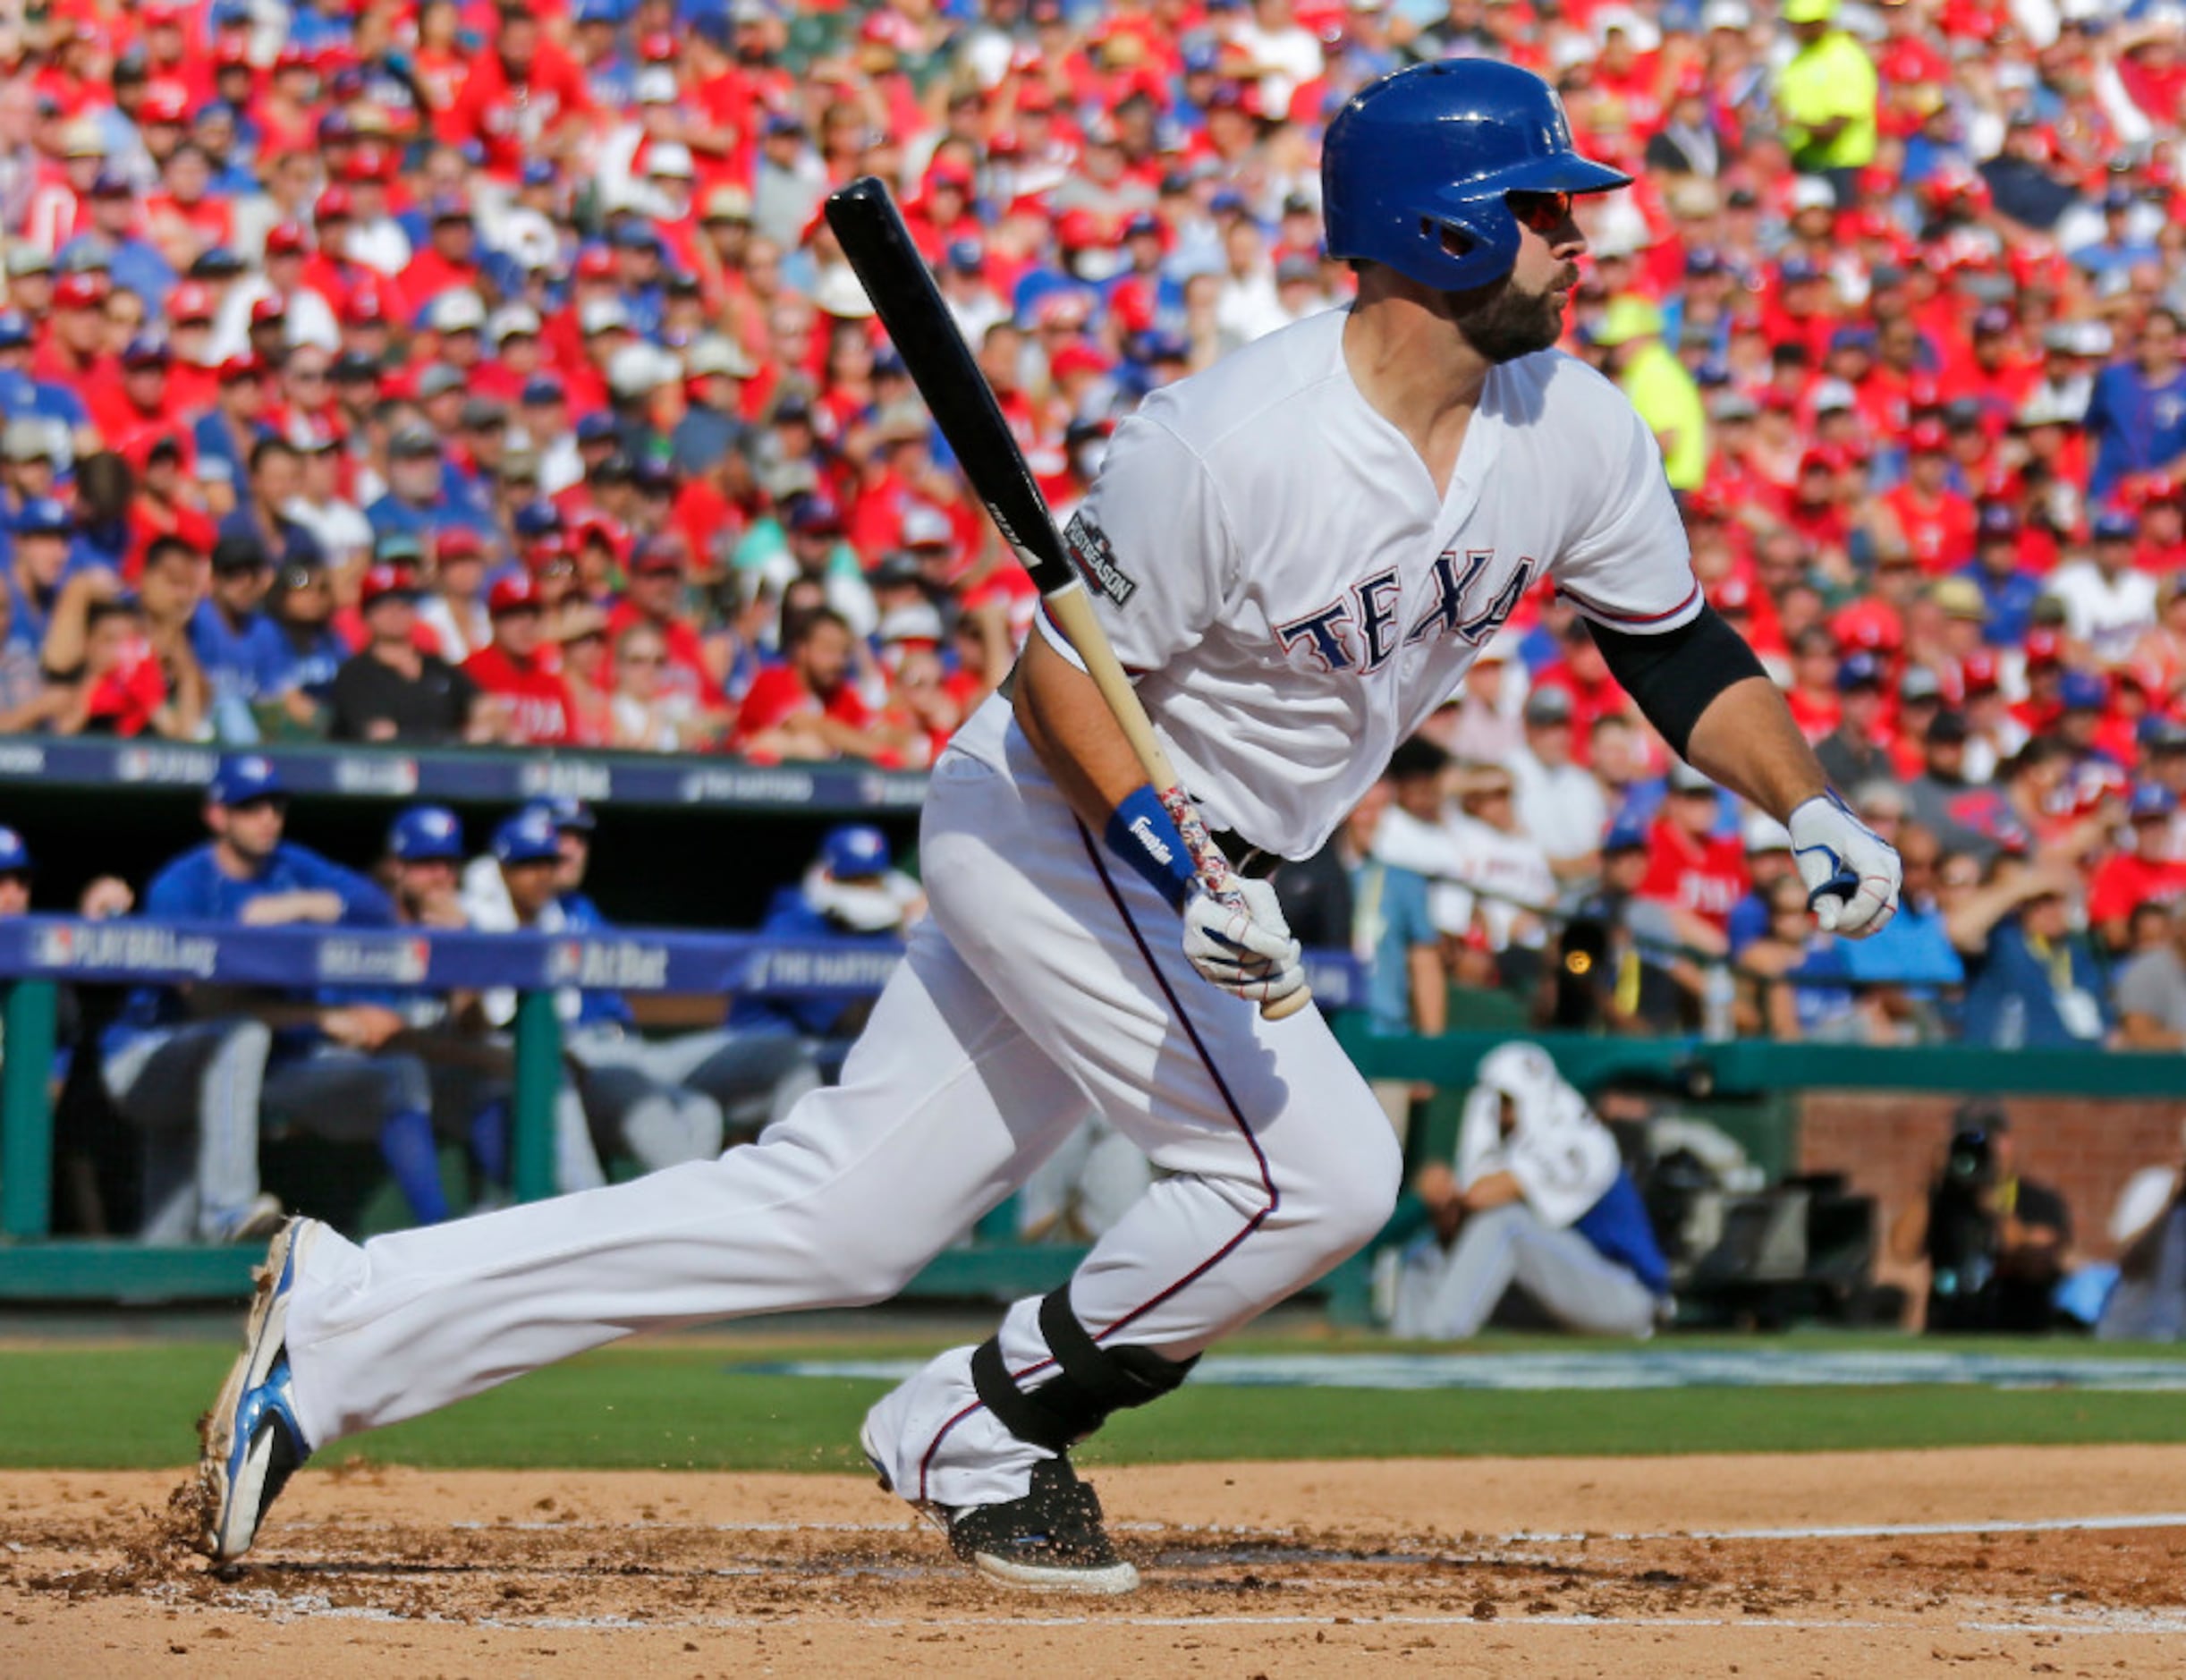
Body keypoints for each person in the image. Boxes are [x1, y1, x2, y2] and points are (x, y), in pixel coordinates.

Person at [197, 64, 1901, 1591]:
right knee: (1312, 1171)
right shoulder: (1233, 441)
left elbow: (1673, 646)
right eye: (1544, 206)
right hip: (1071, 815)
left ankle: (349, 1323)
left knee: (837, 1215)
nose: (1577, 234)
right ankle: (976, 1422)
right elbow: (1054, 680)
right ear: (1436, 226)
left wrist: (1804, 800)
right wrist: (1178, 860)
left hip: (1196, 850)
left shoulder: (1576, 432)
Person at [1390, 1043, 1668, 1339]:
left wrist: (1447, 1189)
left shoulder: (1578, 1136)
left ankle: (1439, 1339)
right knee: (1428, 1251)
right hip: (1559, 1289)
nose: (1500, 1114)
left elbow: (1483, 1196)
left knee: (1506, 1224)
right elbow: (1464, 1220)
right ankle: (1405, 1357)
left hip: (1628, 1296)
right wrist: (1444, 1208)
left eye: (1506, 1102)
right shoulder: (1522, 1142)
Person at [1888, 1104, 2072, 1333]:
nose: (1985, 1149)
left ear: (2010, 1142)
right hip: (1947, 1330)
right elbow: (1903, 1251)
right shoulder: (1942, 1200)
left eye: (1993, 1139)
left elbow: (2035, 1265)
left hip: (2016, 1332)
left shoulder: (2038, 1200)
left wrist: (1994, 1197)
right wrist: (1932, 1185)